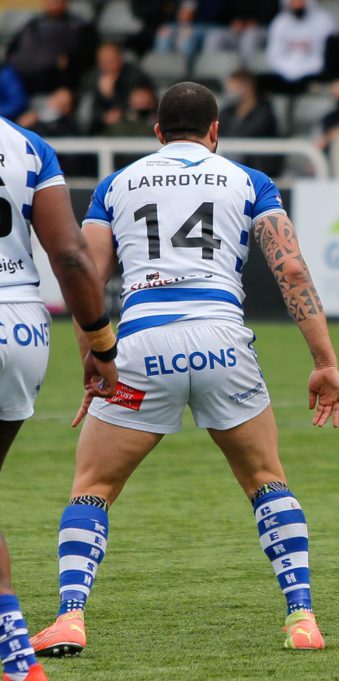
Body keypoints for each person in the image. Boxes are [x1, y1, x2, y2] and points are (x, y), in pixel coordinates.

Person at [28, 82, 339, 657]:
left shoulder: (116, 184)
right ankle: (303, 617)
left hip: (142, 345)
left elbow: (86, 280)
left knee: (94, 487)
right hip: (223, 343)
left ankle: (70, 618)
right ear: (215, 131)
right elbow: (292, 271)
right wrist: (324, 361)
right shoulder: (250, 181)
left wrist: (94, 360)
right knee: (266, 480)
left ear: (157, 132)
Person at [0, 115, 119, 681]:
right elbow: (70, 254)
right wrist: (100, 344)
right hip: (22, 327)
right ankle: (15, 658)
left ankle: (16, 658)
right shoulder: (26, 145)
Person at [4, 0, 98, 95]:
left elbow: (88, 57)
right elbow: (11, 50)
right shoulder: (32, 25)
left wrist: (70, 63)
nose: (52, 2)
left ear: (65, 2)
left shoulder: (79, 26)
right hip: (20, 83)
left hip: (58, 87)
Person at [219, 69, 283, 175]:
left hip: (258, 170)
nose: (230, 93)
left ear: (248, 88)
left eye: (234, 88)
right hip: (228, 168)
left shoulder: (264, 113)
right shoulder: (227, 112)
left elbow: (249, 134)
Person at [263, 0, 336, 93]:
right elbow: (274, 55)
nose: (297, 5)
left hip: (315, 73)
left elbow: (328, 54)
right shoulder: (279, 22)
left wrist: (304, 70)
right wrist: (290, 70)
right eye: (293, 2)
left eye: (300, 2)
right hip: (284, 74)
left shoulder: (324, 21)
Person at [85, 42, 155, 135]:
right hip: (105, 126)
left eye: (110, 59)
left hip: (132, 126)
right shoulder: (96, 77)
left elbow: (137, 105)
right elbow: (95, 108)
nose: (107, 63)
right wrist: (104, 116)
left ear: (119, 57)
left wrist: (110, 96)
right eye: (103, 60)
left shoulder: (134, 76)